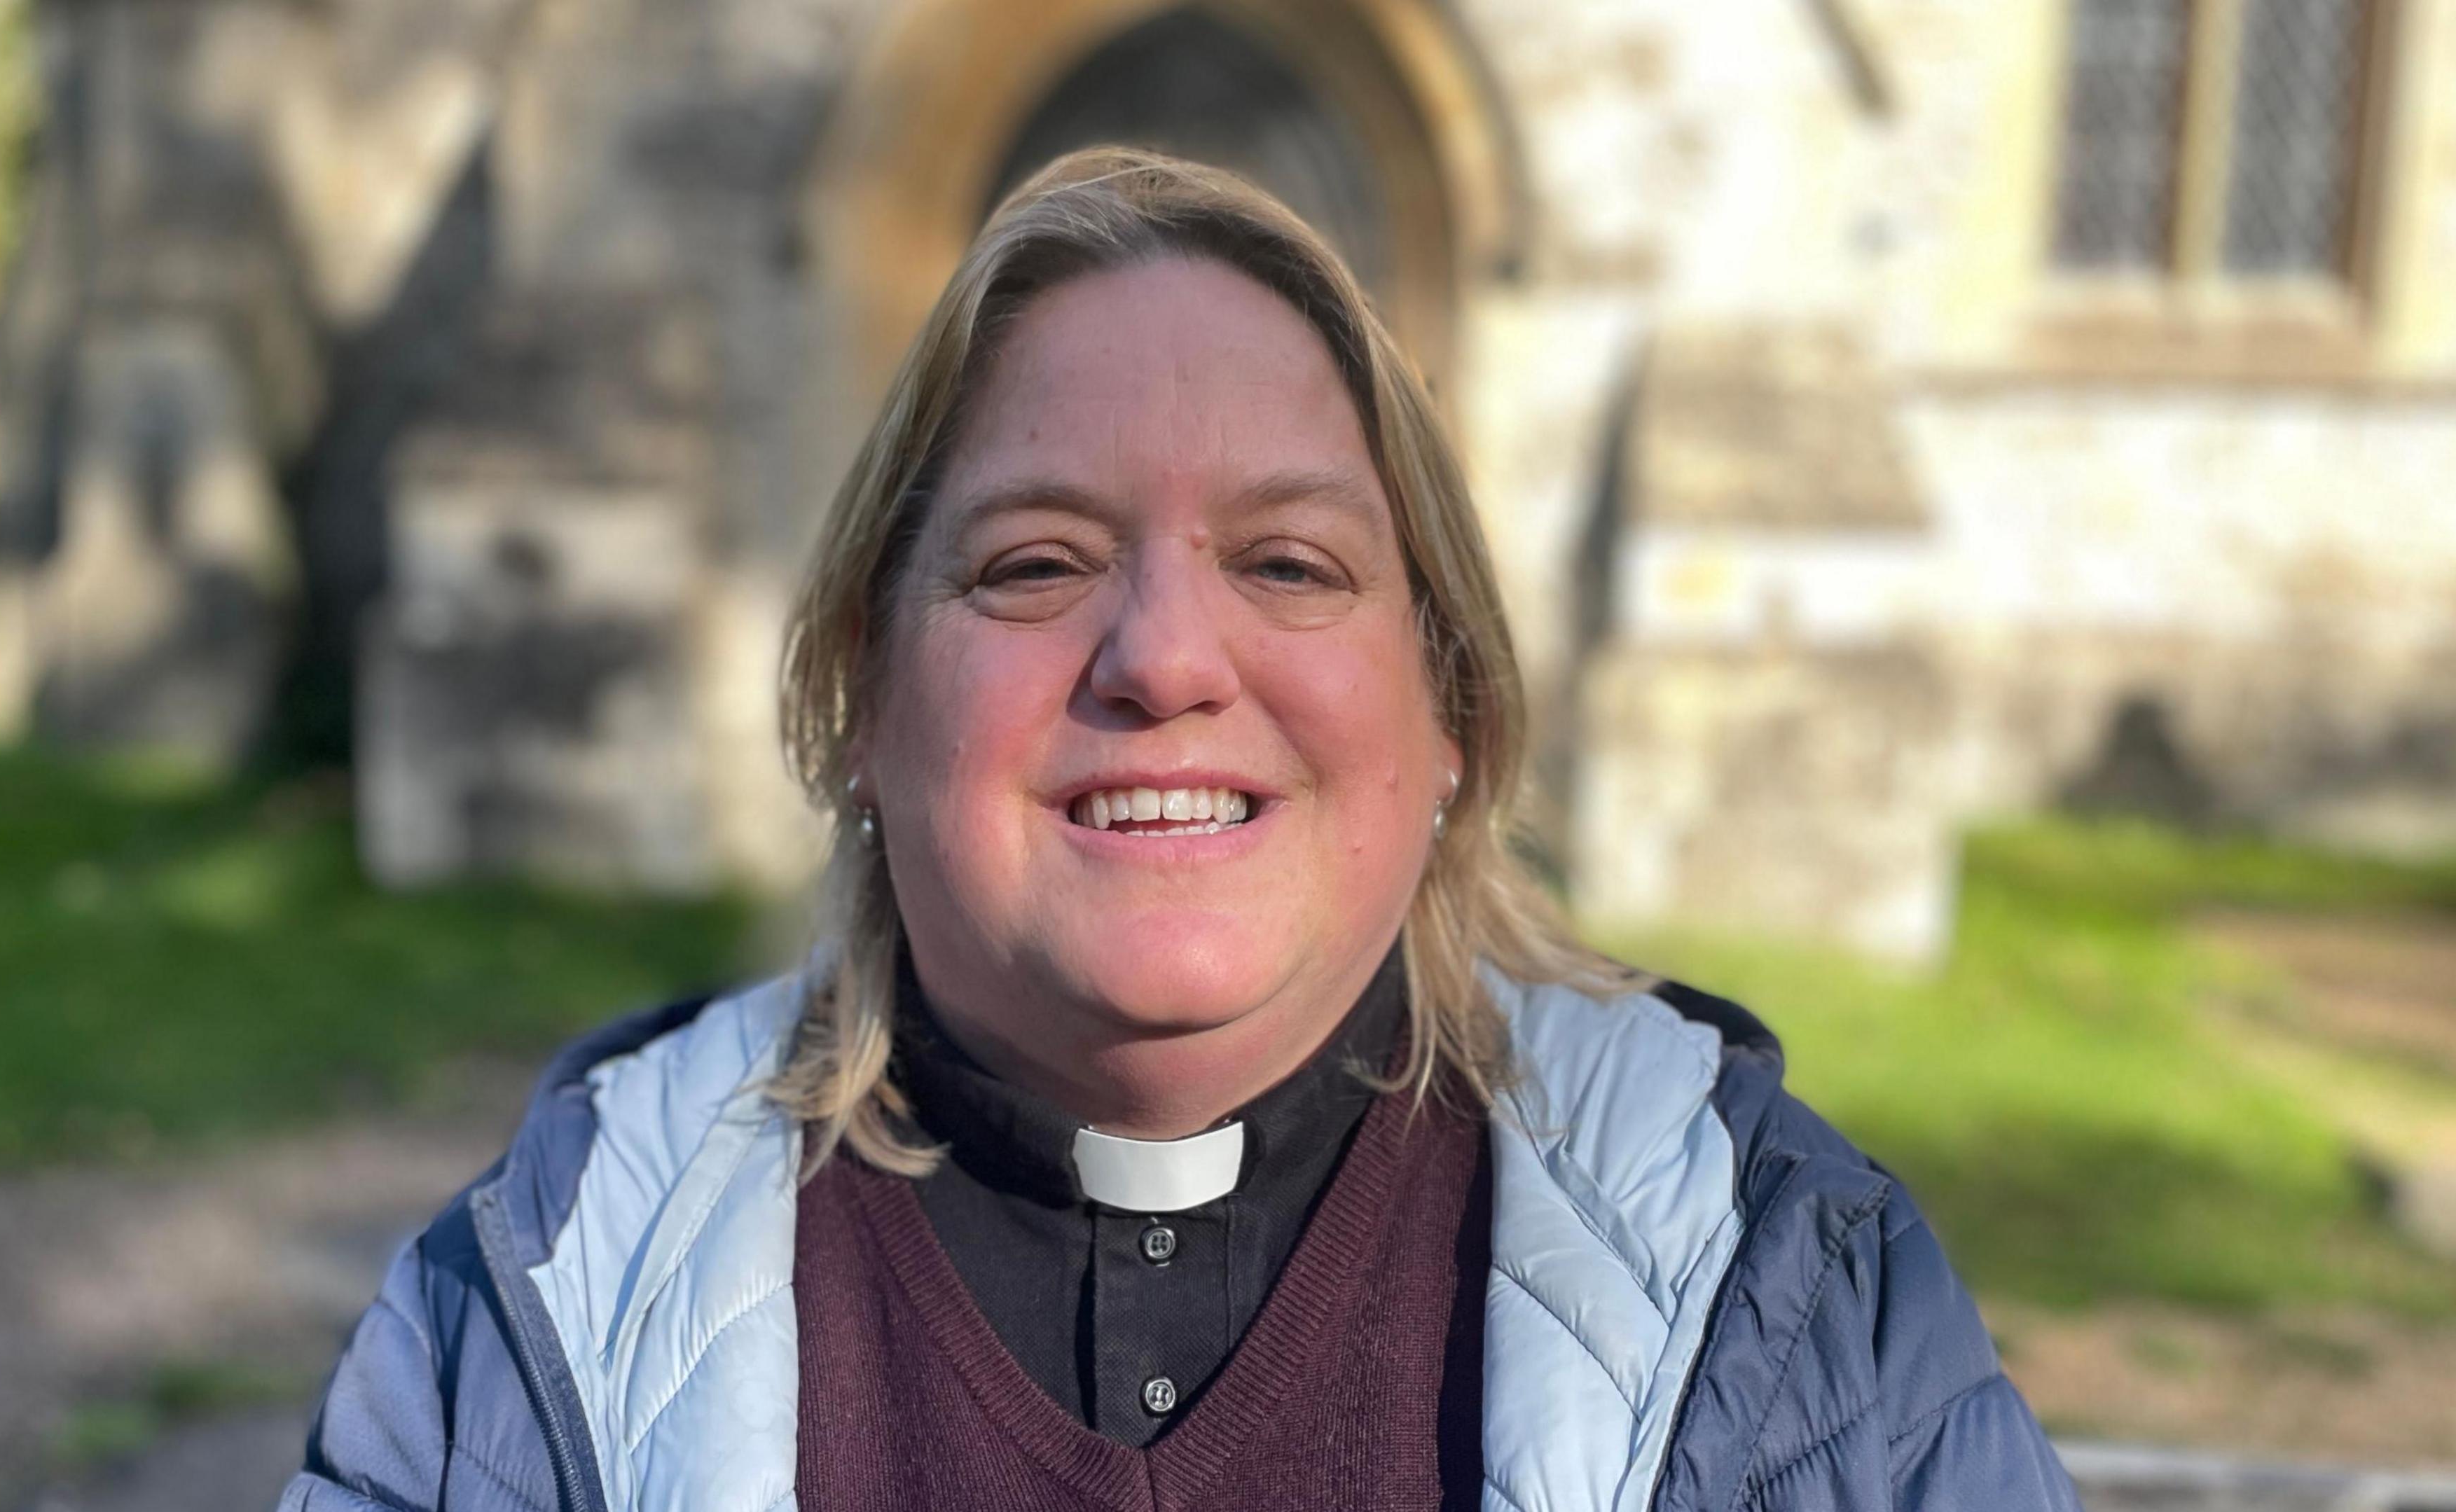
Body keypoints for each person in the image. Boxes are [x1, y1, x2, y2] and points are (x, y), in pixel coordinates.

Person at [280, 148, 2080, 1512]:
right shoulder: (527, 1321)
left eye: (1291, 564)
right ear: (859, 699)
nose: (1161, 659)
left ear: (1448, 708)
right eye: (1036, 564)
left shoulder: (1784, 1288)